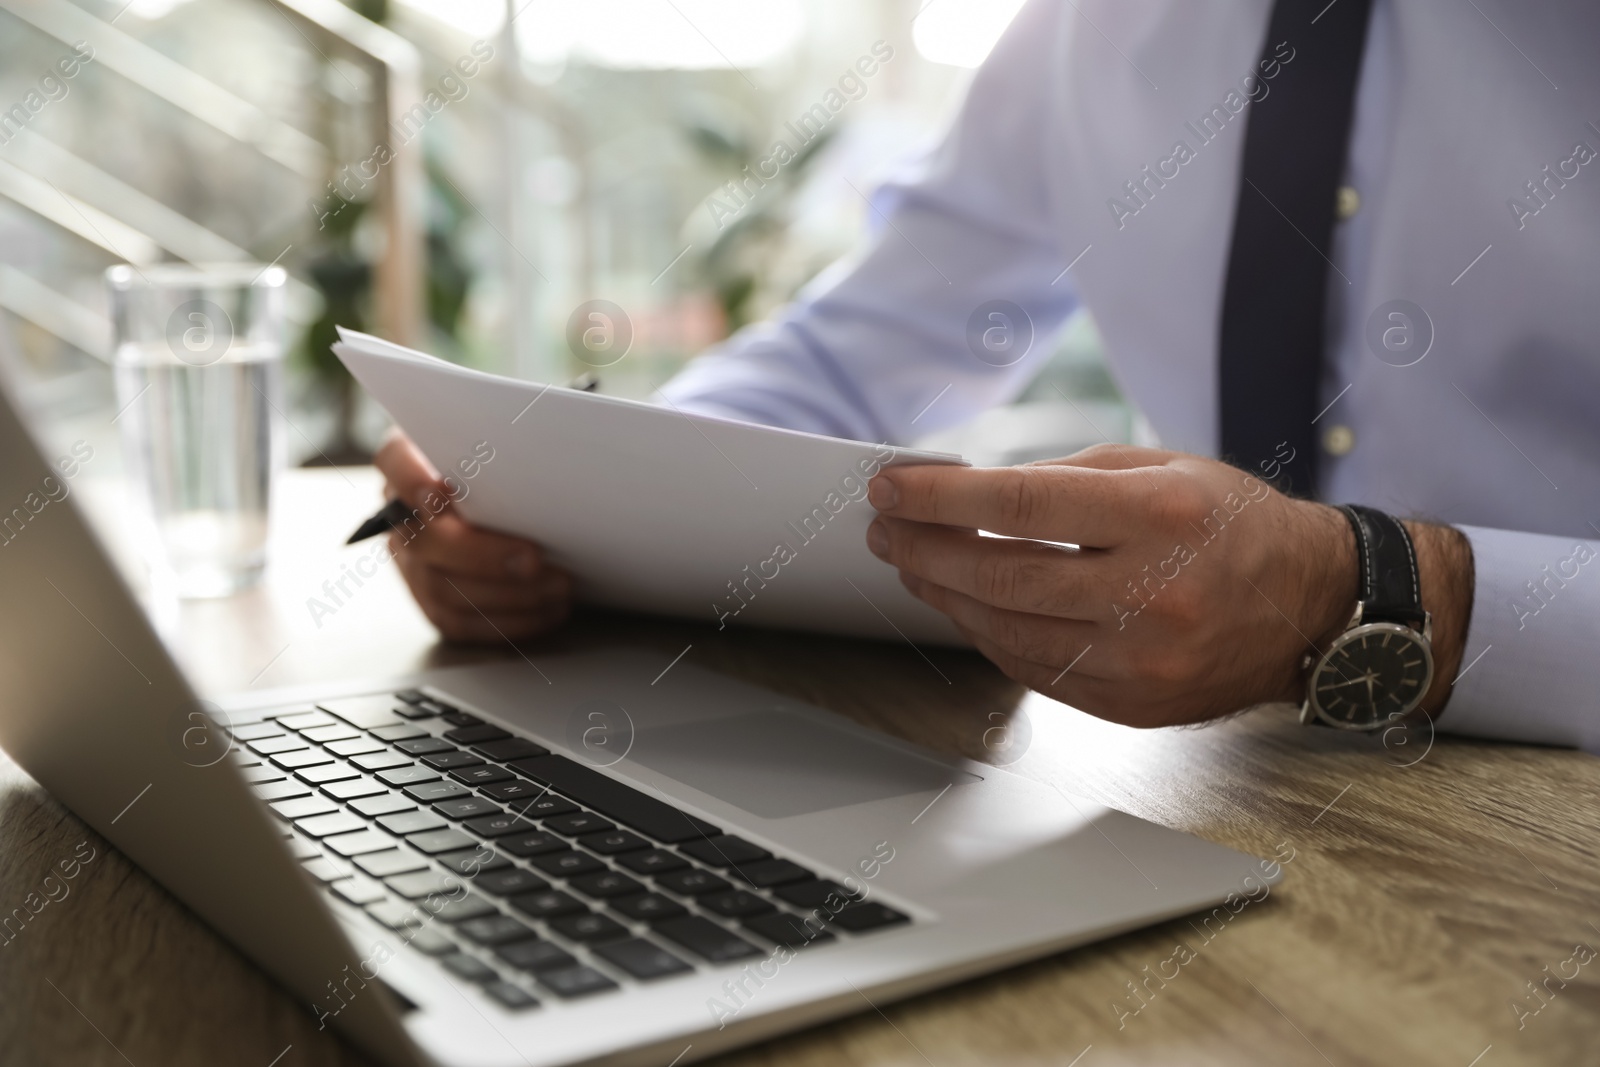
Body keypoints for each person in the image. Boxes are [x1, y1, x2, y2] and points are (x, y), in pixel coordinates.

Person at [376, 0, 1600, 749]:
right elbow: (855, 353)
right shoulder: (1088, 23)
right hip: (1236, 789)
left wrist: (1371, 596)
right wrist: (565, 493)